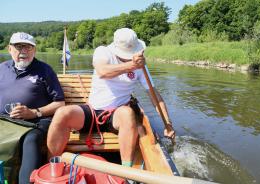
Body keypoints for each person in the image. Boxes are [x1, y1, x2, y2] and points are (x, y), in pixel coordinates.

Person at [47, 28, 175, 167]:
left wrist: (168, 124)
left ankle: (127, 171)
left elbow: (154, 95)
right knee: (62, 113)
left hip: (117, 115)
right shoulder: (103, 51)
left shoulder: (140, 66)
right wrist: (131, 65)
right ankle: (52, 166)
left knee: (127, 113)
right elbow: (102, 71)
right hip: (93, 111)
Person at [0, 32, 65, 183]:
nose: (24, 51)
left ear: (34, 50)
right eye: (19, 46)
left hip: (35, 122)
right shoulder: (1, 69)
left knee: (31, 139)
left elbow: (60, 103)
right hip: (4, 121)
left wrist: (34, 112)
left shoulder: (45, 70)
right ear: (10, 49)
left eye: (29, 47)